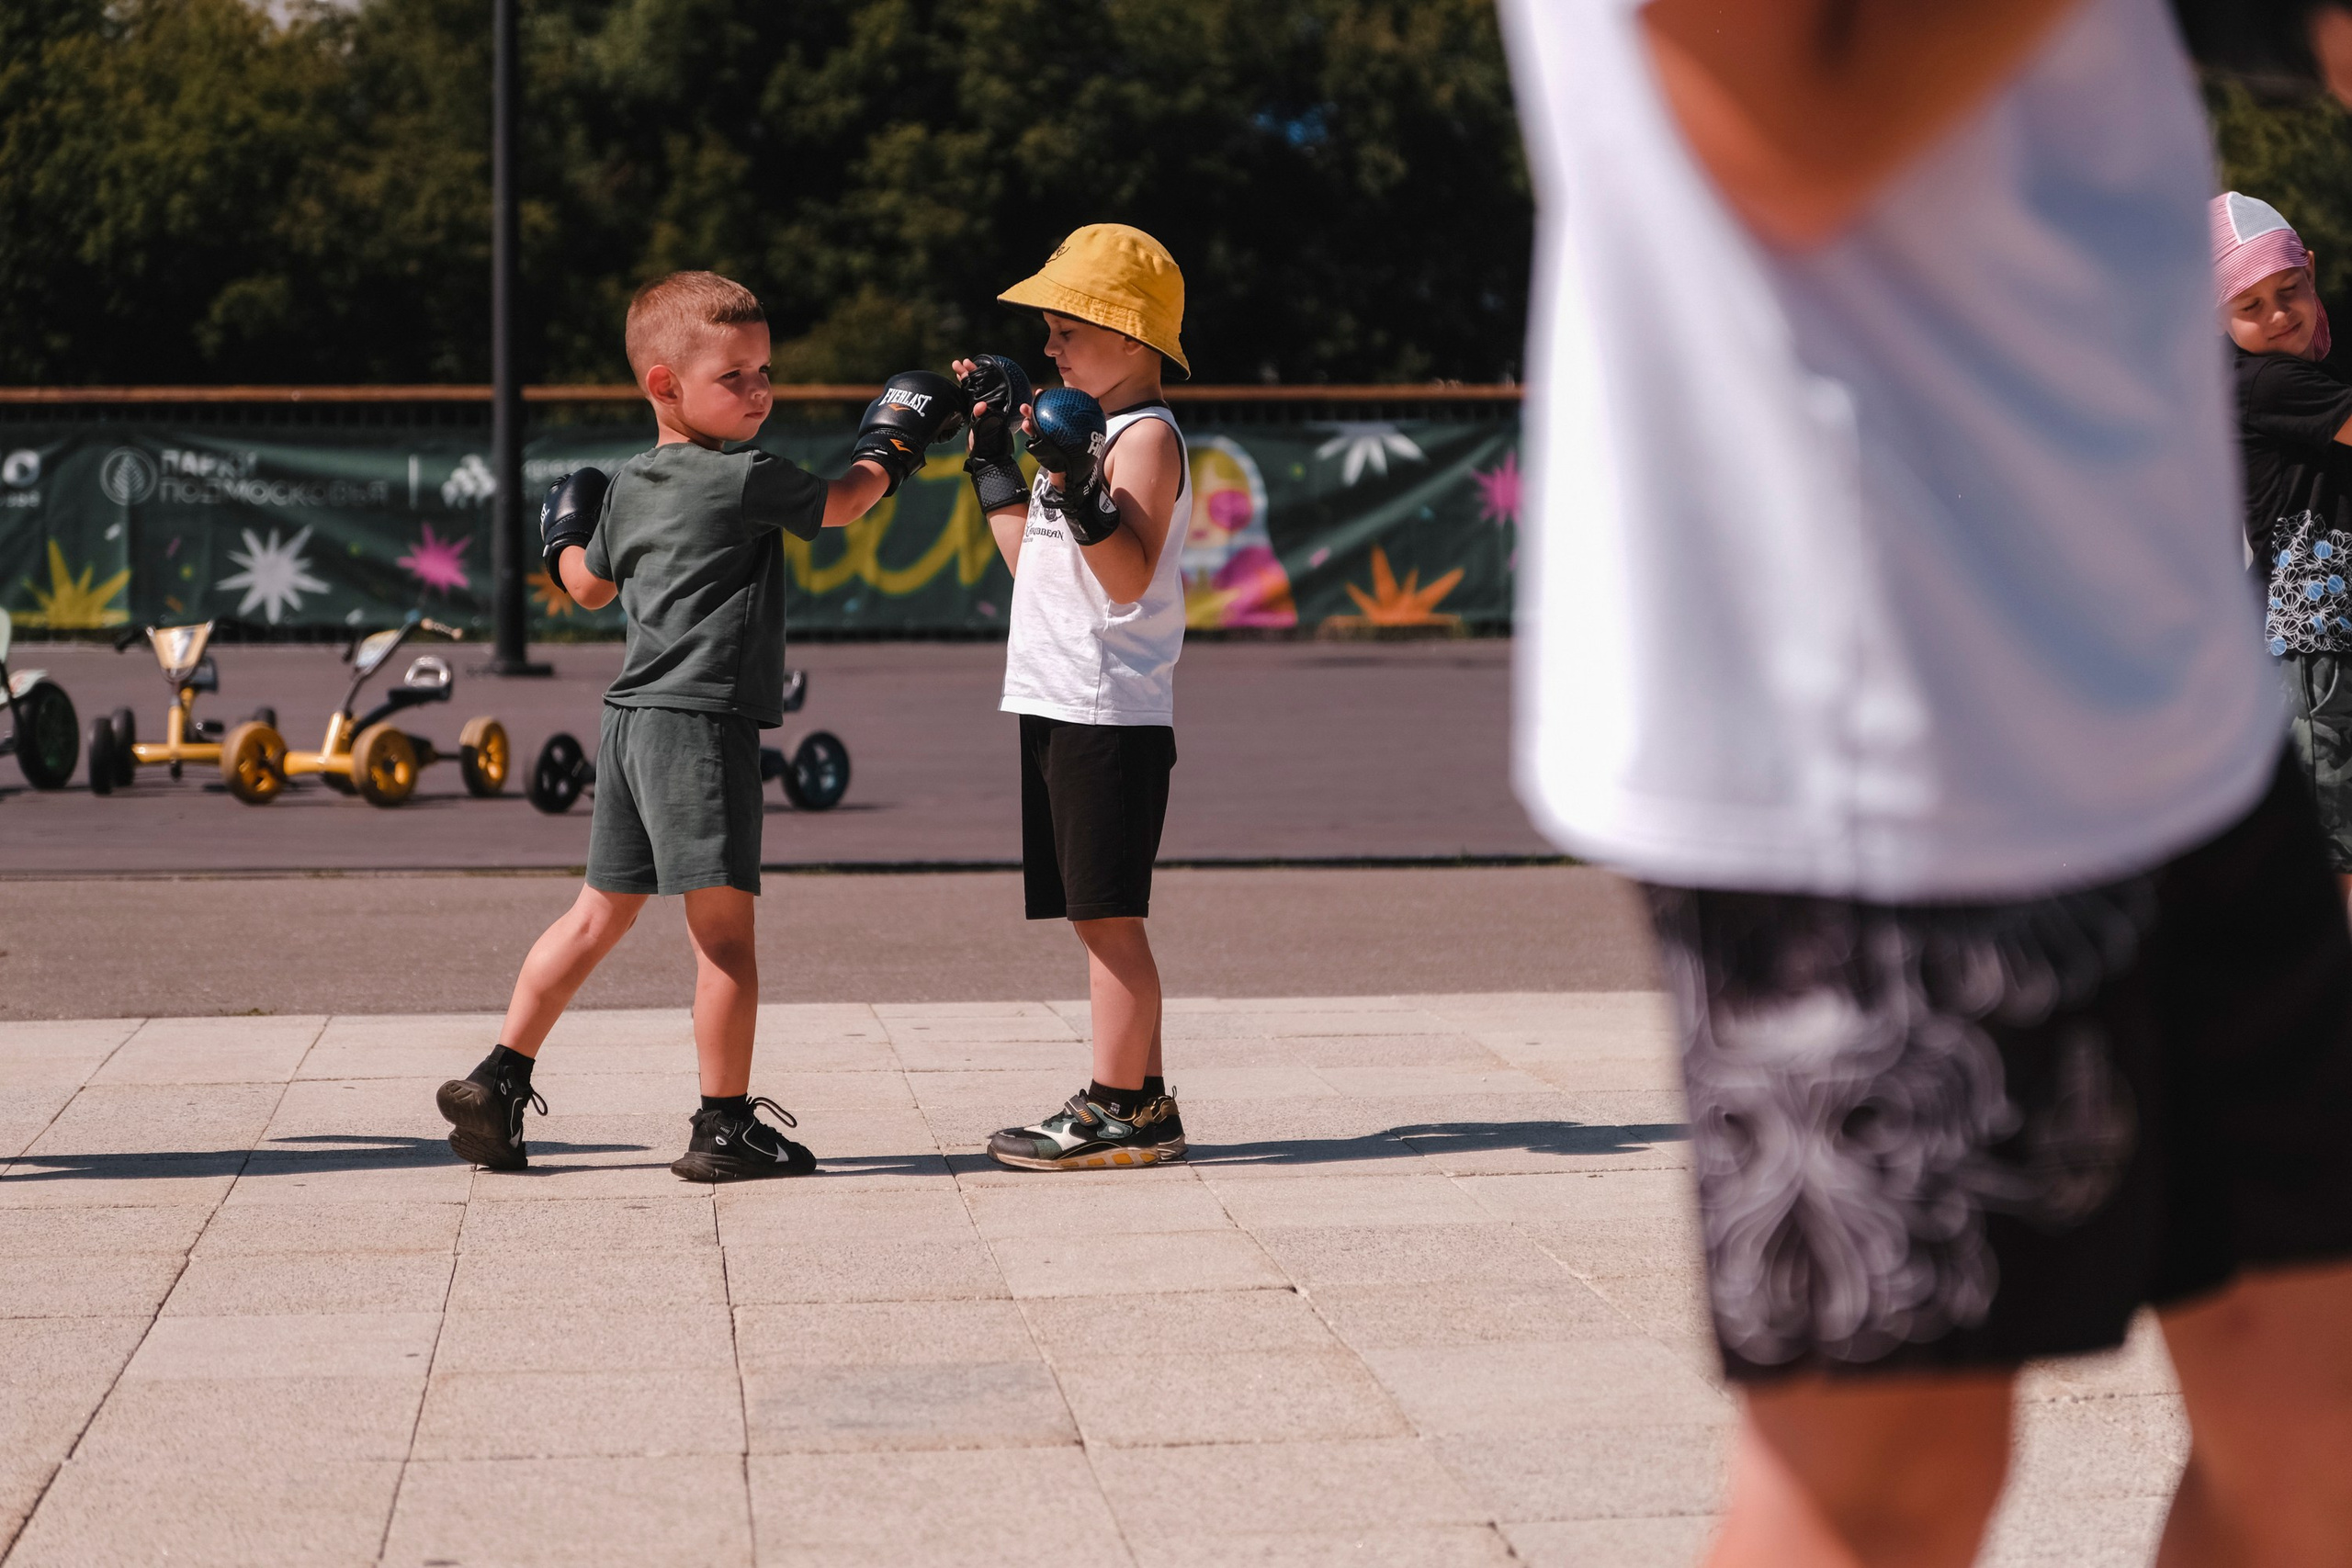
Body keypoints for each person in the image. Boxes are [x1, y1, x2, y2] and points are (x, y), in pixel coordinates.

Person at [1498, 2, 2352, 1564]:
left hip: (2173, 661)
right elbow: (1778, 127)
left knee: (2321, 1437)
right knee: (1894, 1481)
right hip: (1875, 685)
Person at [435, 269, 962, 1181]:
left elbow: (585, 587)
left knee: (594, 916)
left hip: (628, 723)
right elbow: (846, 502)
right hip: (703, 724)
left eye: (766, 371)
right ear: (663, 383)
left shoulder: (628, 486)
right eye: (735, 376)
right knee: (723, 941)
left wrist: (561, 535)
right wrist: (896, 439)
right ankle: (723, 1126)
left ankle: (500, 1076)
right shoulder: (746, 476)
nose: (760, 391)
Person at [954, 224, 1193, 1170]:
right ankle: (1148, 1105)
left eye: (1067, 330)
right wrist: (994, 463)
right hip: (1058, 697)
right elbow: (1040, 569)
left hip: (1109, 710)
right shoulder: (1091, 437)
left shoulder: (1146, 438)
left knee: (1106, 919)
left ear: (1129, 337)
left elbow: (1126, 575)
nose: (1048, 348)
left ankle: (1114, 1108)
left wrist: (1077, 480)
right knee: (1099, 914)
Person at [2218, 190, 2352, 898]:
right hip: (2315, 642)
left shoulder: (2295, 375)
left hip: (2326, 631)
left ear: (2311, 271)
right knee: (2337, 840)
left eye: (2289, 290)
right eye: (2250, 305)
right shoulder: (2266, 381)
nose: (2277, 315)